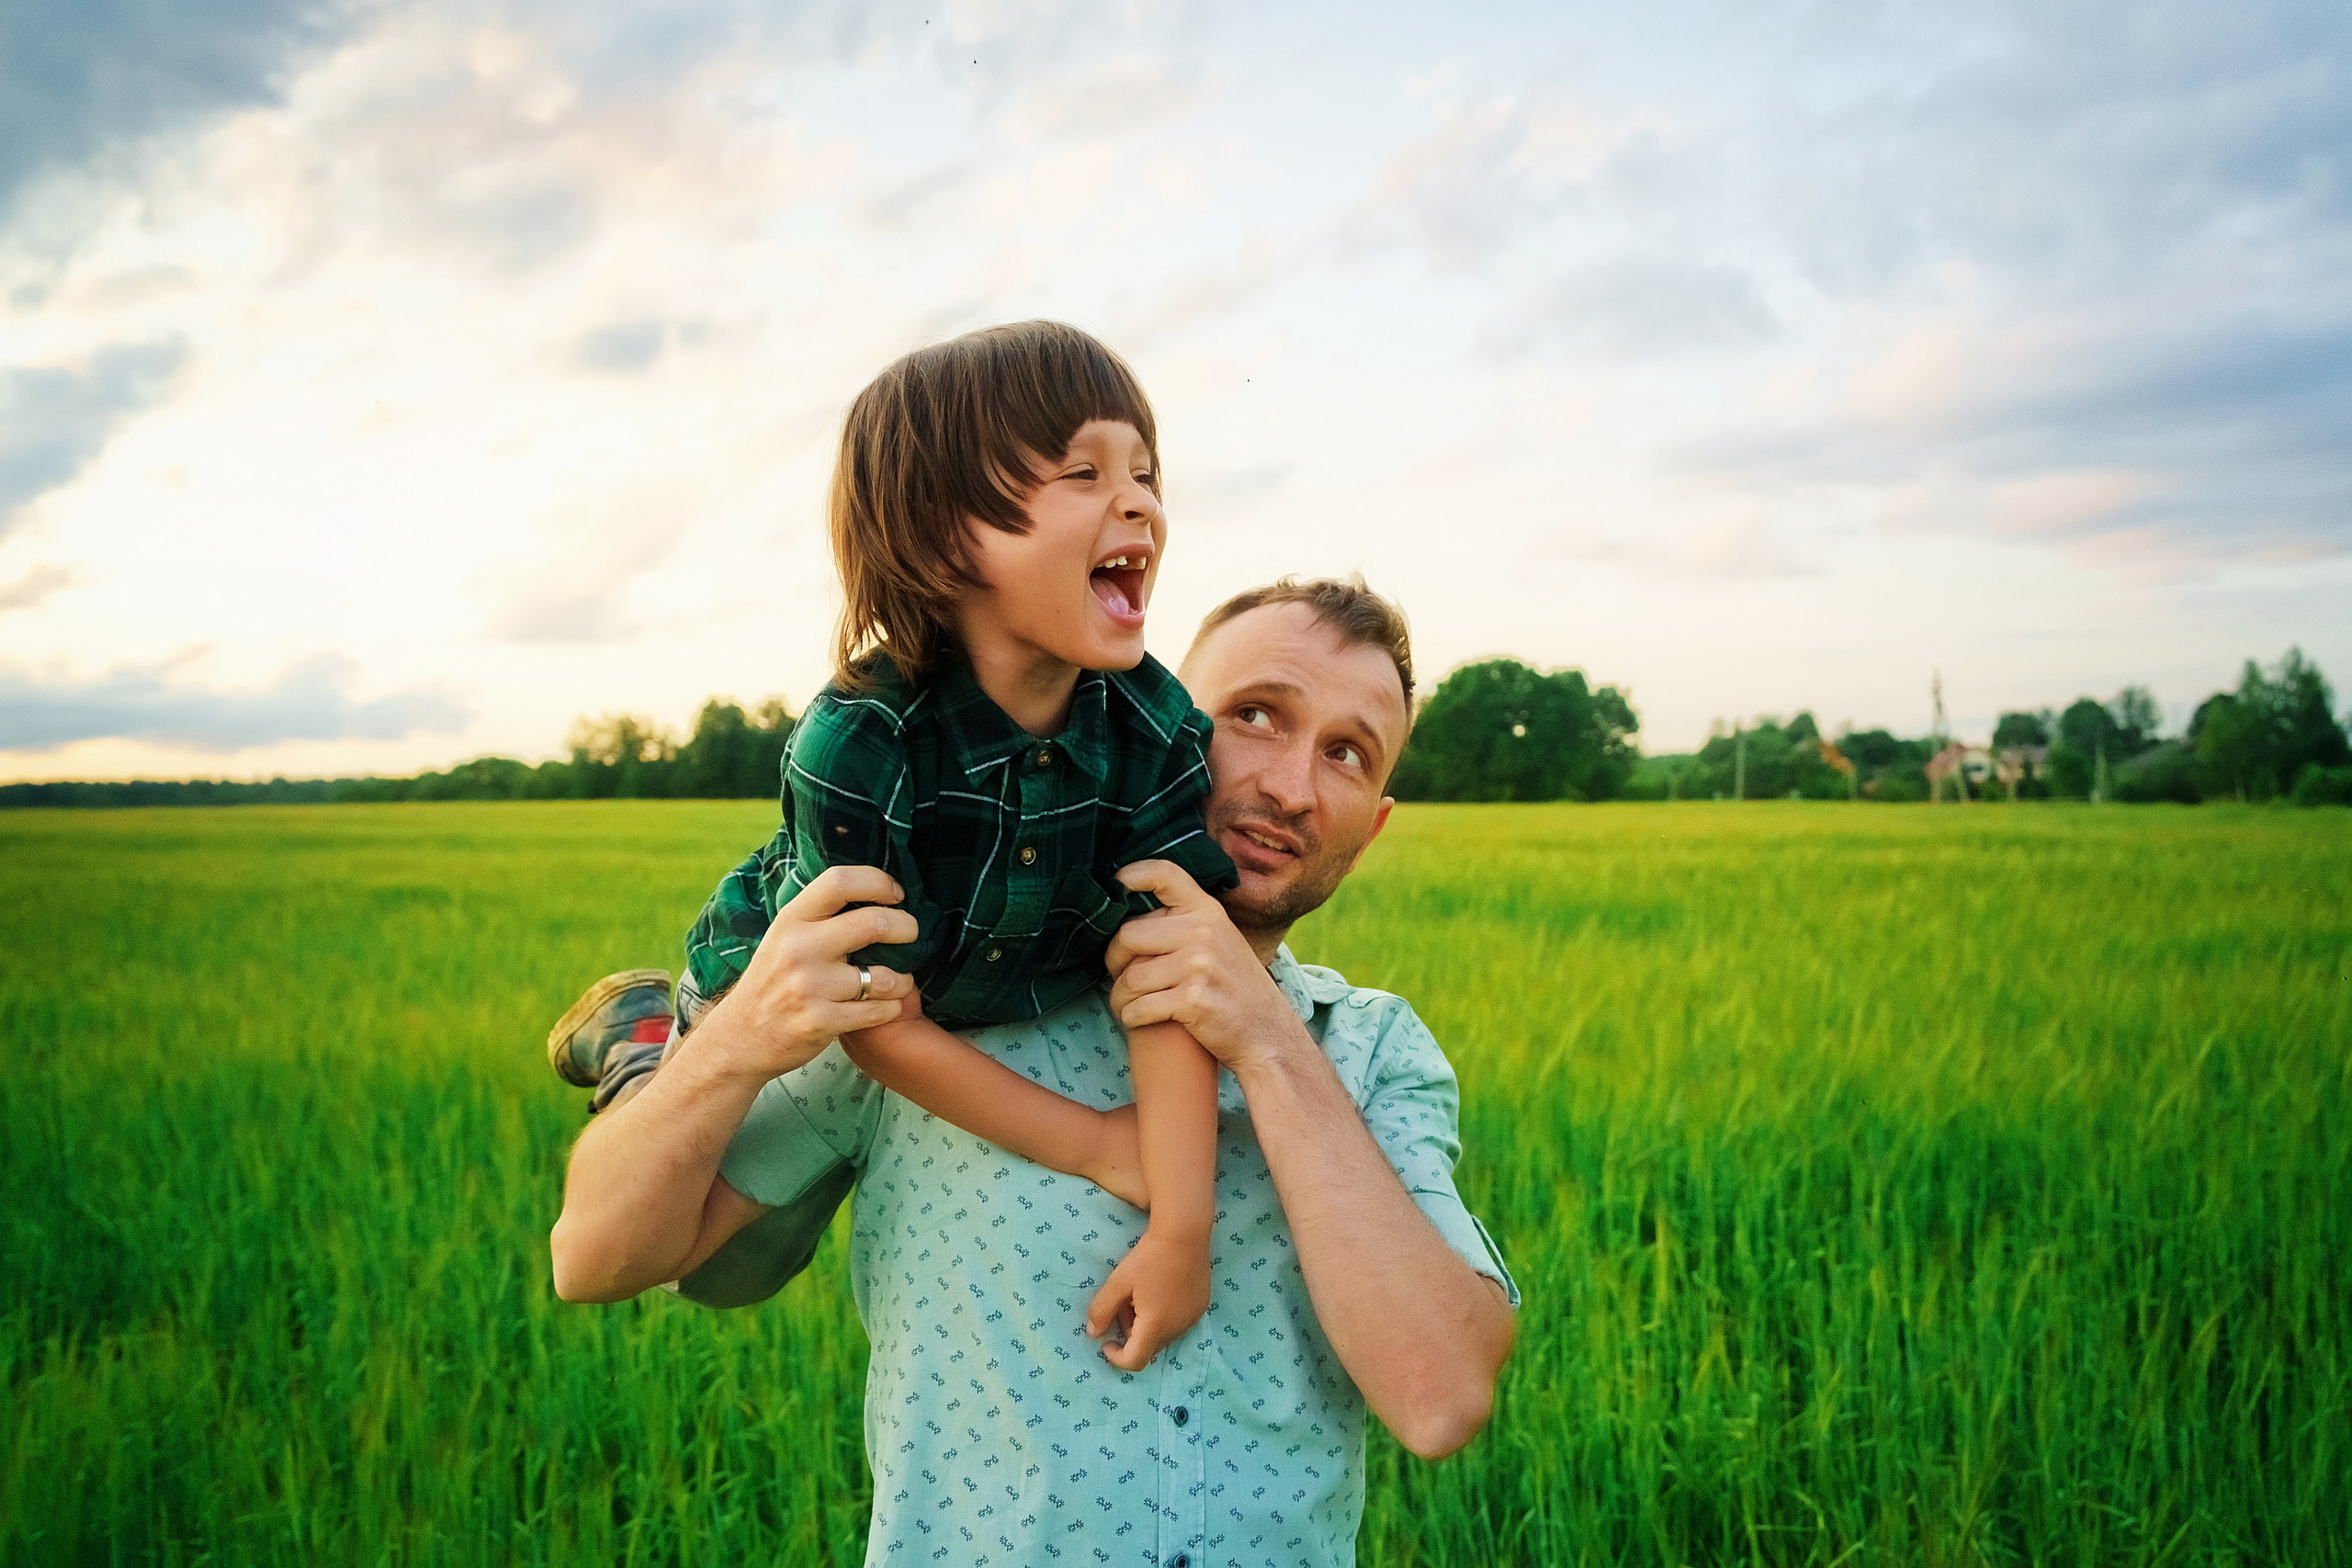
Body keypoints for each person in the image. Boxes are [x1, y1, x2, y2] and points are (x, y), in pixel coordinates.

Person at [551, 577, 1520, 1568]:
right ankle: (647, 1048)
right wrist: (733, 1037)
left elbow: (1438, 1398)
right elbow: (602, 1258)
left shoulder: (1372, 1053)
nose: (1291, 786)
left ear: (1373, 825)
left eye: (1346, 755)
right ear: (1165, 730)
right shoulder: (952, 995)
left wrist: (1266, 1041)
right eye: (1256, 716)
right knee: (676, 1096)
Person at [559, 321, 1248, 1367]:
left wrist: (1181, 1230)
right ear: (941, 539)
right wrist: (1098, 1144)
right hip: (823, 1004)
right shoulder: (862, 739)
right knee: (716, 1267)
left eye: (1145, 472)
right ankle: (645, 1043)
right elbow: (874, 1021)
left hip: (967, 988)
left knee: (744, 1260)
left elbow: (1168, 973)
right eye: (1083, 471)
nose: (1140, 500)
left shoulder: (1153, 732)